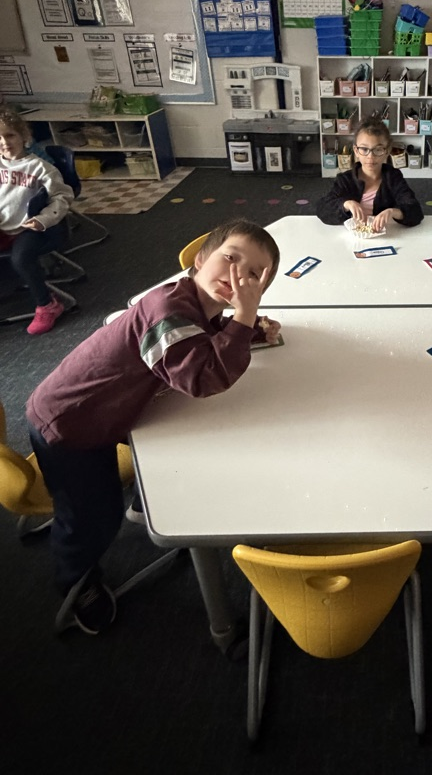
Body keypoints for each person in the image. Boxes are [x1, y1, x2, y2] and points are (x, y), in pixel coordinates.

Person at [26, 218, 281, 636]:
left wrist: (244, 329)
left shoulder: (193, 301)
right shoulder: (168, 310)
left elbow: (197, 336)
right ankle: (74, 581)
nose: (238, 275)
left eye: (254, 274)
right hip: (73, 426)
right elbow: (202, 378)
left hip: (105, 414)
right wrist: (245, 317)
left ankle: (141, 502)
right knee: (91, 518)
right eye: (230, 258)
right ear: (200, 260)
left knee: (154, 450)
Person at [0, 107, 74, 334]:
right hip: (3, 227)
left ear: (24, 136)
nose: (4, 142)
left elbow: (63, 197)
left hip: (30, 228)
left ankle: (47, 305)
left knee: (21, 258)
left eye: (10, 135)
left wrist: (43, 219)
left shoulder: (41, 167)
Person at [316, 118, 423, 230]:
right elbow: (322, 209)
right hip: (351, 235)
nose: (370, 156)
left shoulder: (393, 177)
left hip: (387, 235)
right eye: (364, 149)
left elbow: (416, 212)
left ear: (387, 151)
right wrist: (346, 204)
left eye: (378, 149)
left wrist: (393, 212)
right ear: (356, 151)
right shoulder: (345, 179)